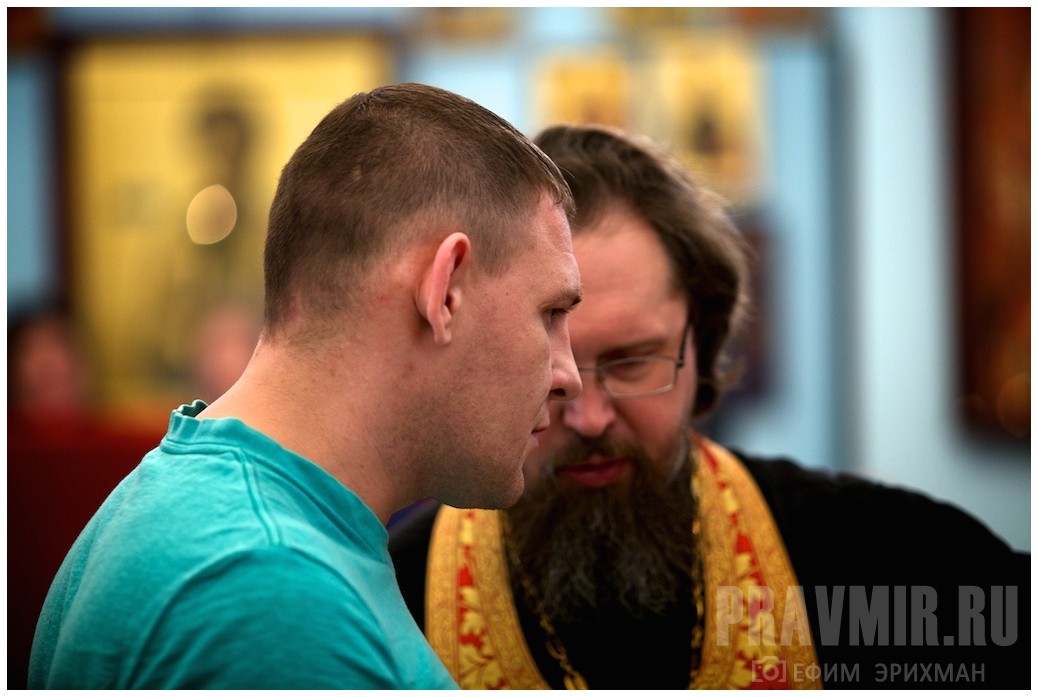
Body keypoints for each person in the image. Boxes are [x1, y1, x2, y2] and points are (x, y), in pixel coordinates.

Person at [389, 124, 1030, 689]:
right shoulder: (393, 603)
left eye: (632, 361)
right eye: (546, 369)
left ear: (702, 339)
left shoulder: (888, 562)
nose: (590, 417)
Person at [28, 83, 583, 689]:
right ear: (445, 291)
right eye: (551, 314)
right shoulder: (272, 596)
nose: (570, 376)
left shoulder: (202, 512)